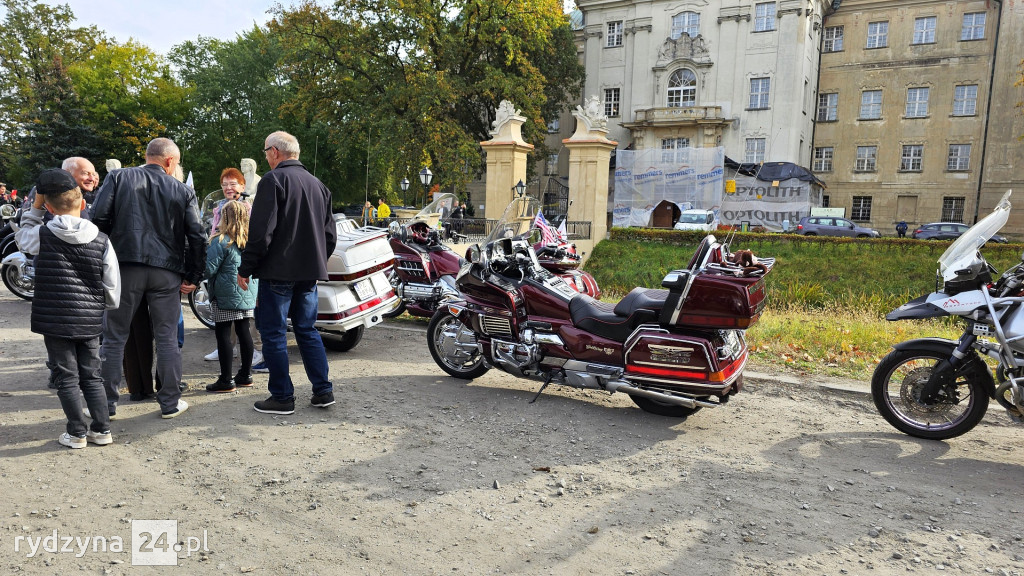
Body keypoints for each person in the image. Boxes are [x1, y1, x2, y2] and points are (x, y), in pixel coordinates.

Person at [90, 137, 206, 419]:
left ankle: (106, 405)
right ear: (170, 161)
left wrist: (103, 260)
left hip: (125, 266)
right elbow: (197, 236)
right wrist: (193, 274)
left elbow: (98, 220)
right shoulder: (181, 189)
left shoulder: (118, 178)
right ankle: (169, 403)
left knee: (115, 337)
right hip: (166, 271)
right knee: (166, 337)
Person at [15, 169, 120, 448]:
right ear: (83, 203)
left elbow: (22, 238)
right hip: (89, 318)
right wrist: (101, 307)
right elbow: (111, 285)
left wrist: (34, 209)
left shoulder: (42, 234)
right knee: (92, 375)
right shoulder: (102, 239)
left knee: (66, 377)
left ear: (48, 207)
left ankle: (76, 433)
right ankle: (102, 429)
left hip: (55, 320)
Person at [238, 130, 337, 415]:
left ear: (275, 152)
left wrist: (246, 267)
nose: (265, 157)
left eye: (265, 151)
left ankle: (282, 396)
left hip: (278, 272)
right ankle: (323, 390)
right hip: (308, 274)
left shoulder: (273, 180)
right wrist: (315, 260)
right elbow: (329, 236)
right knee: (306, 330)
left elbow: (261, 232)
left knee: (274, 334)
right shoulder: (319, 185)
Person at [203, 167, 264, 366]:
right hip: (224, 265)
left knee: (247, 314)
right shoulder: (220, 206)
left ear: (242, 186)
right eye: (225, 184)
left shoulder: (248, 207)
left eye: (233, 184)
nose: (229, 188)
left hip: (241, 264)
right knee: (228, 311)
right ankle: (227, 348)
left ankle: (258, 349)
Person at [205, 200, 258, 392]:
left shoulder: (220, 240)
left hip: (225, 295)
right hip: (247, 293)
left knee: (224, 335)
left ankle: (226, 380)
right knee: (244, 332)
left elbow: (208, 269)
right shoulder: (250, 240)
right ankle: (246, 374)